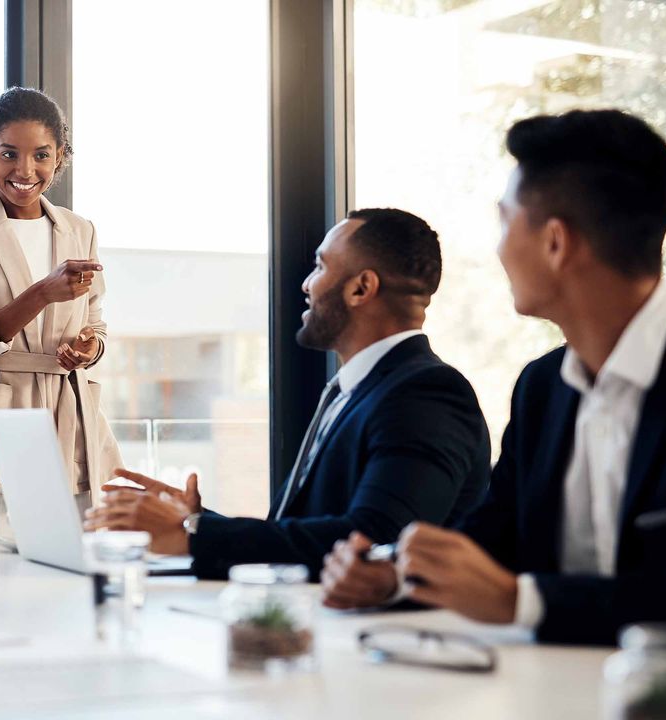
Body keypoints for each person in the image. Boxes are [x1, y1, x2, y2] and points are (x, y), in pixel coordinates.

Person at [320, 109, 666, 646]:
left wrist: (519, 601)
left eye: (505, 222)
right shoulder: (542, 387)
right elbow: (494, 538)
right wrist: (395, 577)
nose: (499, 249)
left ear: (556, 243)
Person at [84, 209, 490, 578]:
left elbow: (373, 540)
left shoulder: (426, 394)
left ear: (361, 288)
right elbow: (306, 530)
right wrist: (194, 520)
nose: (307, 284)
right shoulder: (356, 390)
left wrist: (193, 534)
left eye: (320, 266)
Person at [0, 87, 122, 506]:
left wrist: (89, 348)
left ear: (59, 156)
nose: (25, 169)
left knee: (78, 554)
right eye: (9, 153)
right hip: (1, 415)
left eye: (41, 154)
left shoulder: (80, 230)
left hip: (73, 411)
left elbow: (95, 323)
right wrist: (40, 294)